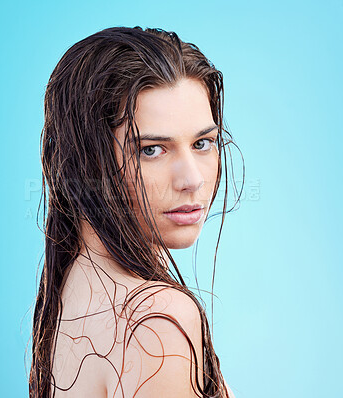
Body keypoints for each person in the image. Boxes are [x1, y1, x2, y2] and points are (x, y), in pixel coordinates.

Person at [29, 26, 238, 398]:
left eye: (203, 143)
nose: (192, 180)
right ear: (87, 162)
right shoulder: (157, 319)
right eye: (152, 150)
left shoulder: (68, 285)